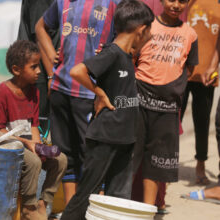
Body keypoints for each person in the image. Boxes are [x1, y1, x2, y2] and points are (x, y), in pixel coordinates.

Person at [59, 1, 154, 218]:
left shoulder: (127, 55)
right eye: (150, 32)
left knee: (118, 198)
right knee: (86, 195)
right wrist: (99, 92)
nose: (151, 37)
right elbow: (77, 71)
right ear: (141, 30)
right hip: (105, 138)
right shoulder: (112, 53)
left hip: (125, 138)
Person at [35, 0, 121, 204]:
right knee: (65, 155)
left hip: (92, 93)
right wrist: (50, 68)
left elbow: (130, 39)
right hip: (60, 89)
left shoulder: (114, 4)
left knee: (92, 154)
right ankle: (71, 210)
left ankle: (94, 209)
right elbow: (40, 28)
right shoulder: (63, 2)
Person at [0, 40, 67, 220]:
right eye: (34, 67)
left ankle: (43, 203)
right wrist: (28, 144)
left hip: (28, 145)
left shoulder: (34, 92)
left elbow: (33, 125)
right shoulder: (2, 92)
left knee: (60, 159)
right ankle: (28, 207)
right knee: (33, 161)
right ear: (16, 70)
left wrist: (38, 146)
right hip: (9, 146)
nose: (39, 71)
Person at [133, 0, 198, 205]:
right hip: (139, 103)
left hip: (168, 108)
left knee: (156, 163)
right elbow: (131, 57)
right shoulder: (146, 27)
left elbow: (190, 69)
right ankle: (117, 206)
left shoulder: (190, 34)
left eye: (182, 1)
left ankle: (148, 209)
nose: (176, 5)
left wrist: (170, 87)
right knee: (128, 157)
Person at [180, 0, 220, 185]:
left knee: (202, 123)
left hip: (206, 73)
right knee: (172, 121)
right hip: (179, 71)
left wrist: (214, 66)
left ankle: (200, 164)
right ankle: (166, 164)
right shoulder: (183, 3)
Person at [17, 0, 59, 138]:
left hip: (50, 72)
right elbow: (40, 36)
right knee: (36, 132)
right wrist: (52, 77)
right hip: (40, 74)